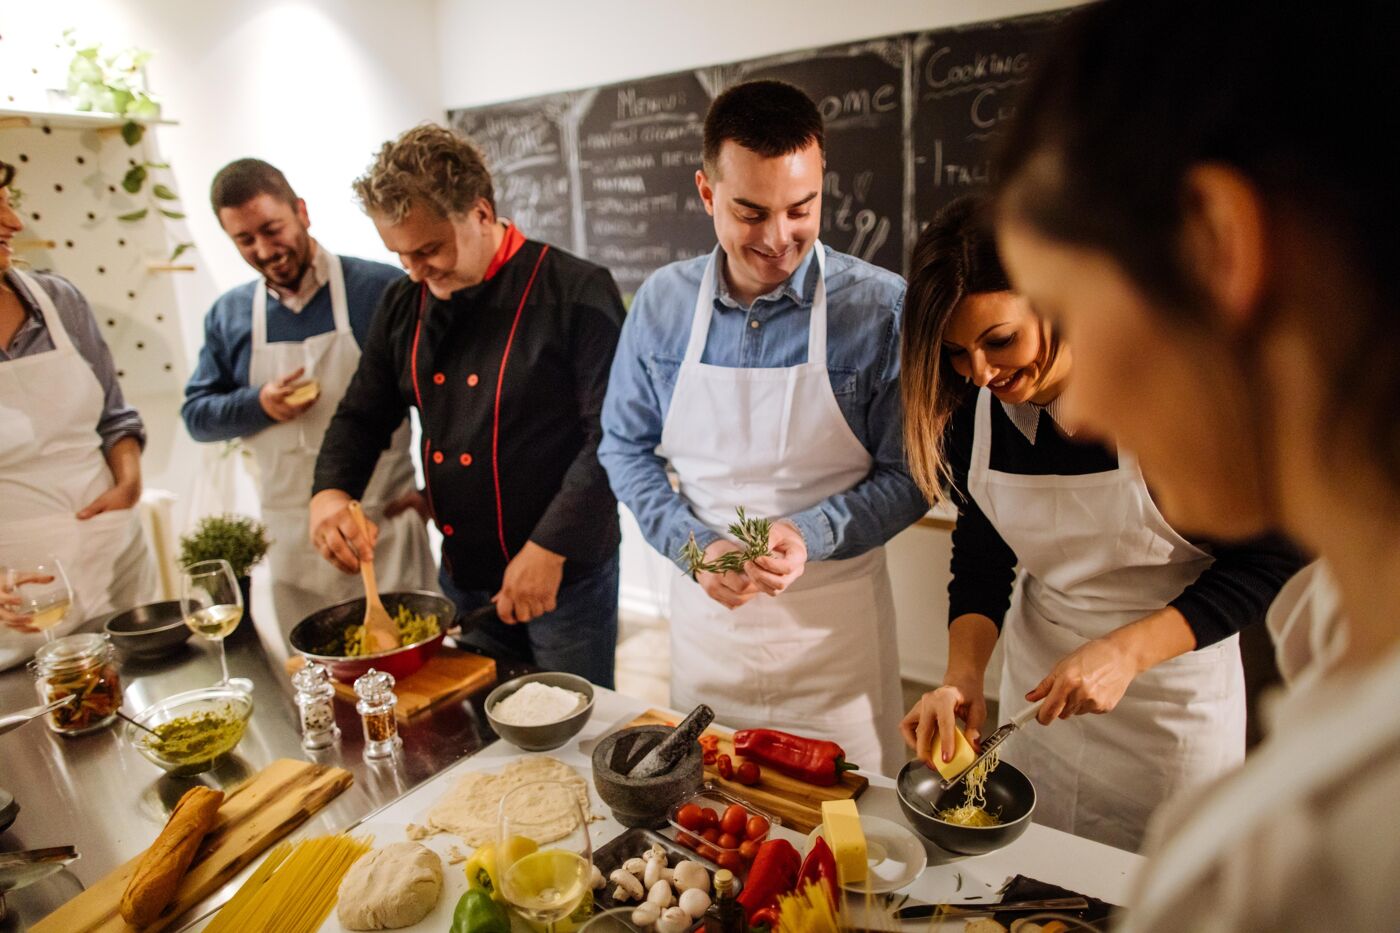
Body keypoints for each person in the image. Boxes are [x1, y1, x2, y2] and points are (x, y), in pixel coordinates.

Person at [990, 0, 1400, 926]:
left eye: (1074, 314)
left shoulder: (1322, 857)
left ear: (1214, 247)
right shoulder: (1339, 632)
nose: (1080, 406)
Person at [897, 195, 1304, 851]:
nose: (981, 372)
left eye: (1000, 340)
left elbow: (1272, 556)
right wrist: (961, 675)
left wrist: (1127, 650)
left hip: (1169, 698)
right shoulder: (973, 411)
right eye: (955, 352)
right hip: (1039, 695)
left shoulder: (1170, 390)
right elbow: (982, 556)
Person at [600, 80, 928, 775]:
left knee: (847, 834)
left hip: (836, 649)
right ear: (706, 191)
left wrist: (810, 532)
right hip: (707, 640)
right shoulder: (661, 304)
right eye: (751, 212)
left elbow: (914, 475)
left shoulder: (879, 309)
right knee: (711, 826)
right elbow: (623, 446)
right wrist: (693, 545)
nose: (779, 238)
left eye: (800, 209)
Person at [310, 124, 625, 686]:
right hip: (464, 573)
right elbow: (363, 412)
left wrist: (550, 548)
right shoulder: (404, 302)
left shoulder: (575, 290)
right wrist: (331, 493)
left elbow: (613, 439)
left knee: (575, 727)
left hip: (564, 573)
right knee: (479, 730)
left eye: (429, 249)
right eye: (400, 254)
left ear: (481, 213)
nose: (414, 271)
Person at [182, 159, 436, 643]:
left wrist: (435, 493)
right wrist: (258, 404)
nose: (263, 250)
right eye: (244, 240)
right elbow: (197, 416)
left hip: (385, 529)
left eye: (272, 229)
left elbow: (439, 400)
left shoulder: (381, 290)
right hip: (293, 539)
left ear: (301, 212)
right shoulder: (230, 315)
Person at [0, 158, 156, 669]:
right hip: (21, 604)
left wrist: (128, 483)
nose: (14, 222)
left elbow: (115, 418)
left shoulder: (59, 301)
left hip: (113, 558)